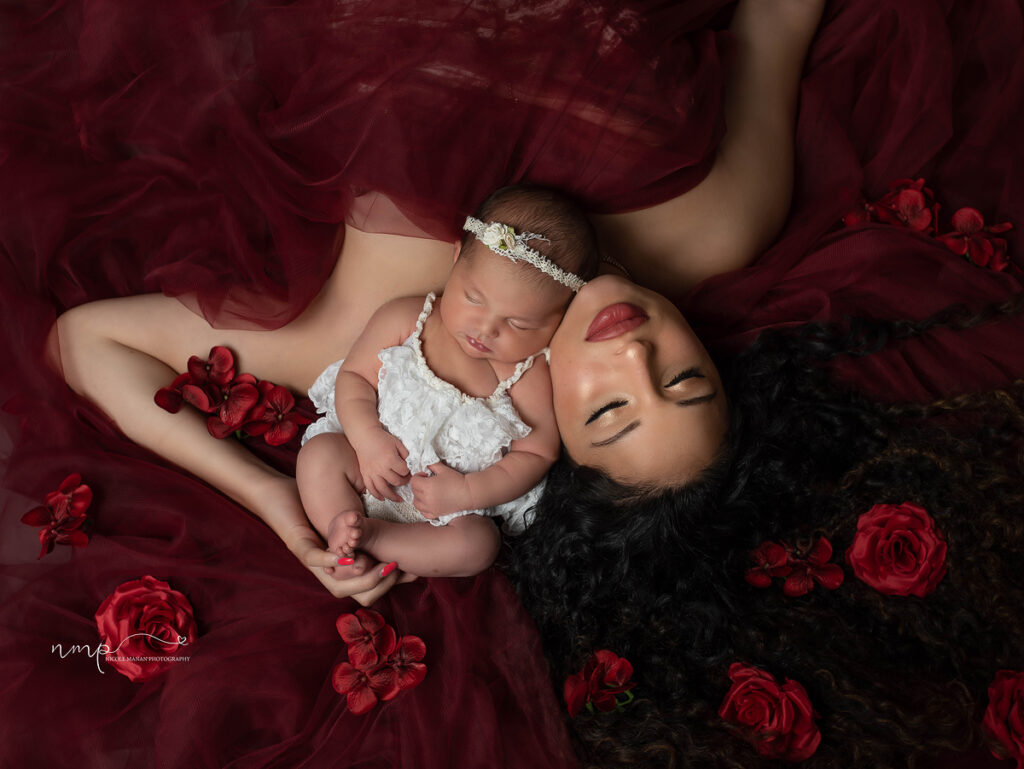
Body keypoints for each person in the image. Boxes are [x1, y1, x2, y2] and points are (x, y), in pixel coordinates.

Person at [296, 185, 599, 585]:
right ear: (456, 259)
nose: (486, 329)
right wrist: (367, 439)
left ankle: (378, 539)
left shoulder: (527, 375)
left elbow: (537, 454)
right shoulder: (408, 318)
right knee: (319, 455)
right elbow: (353, 378)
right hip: (364, 469)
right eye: (473, 298)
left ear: (559, 318)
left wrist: (468, 494)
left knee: (479, 545)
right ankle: (340, 523)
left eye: (519, 324)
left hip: (445, 517)